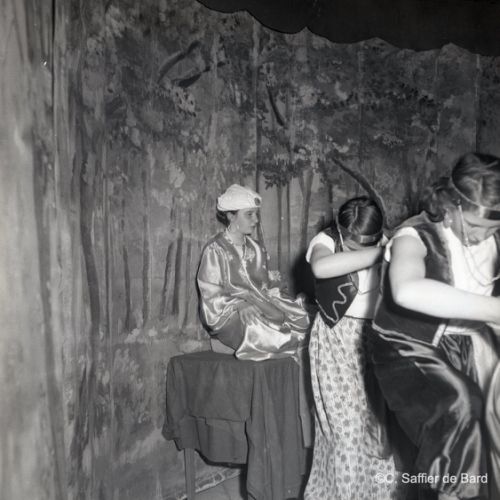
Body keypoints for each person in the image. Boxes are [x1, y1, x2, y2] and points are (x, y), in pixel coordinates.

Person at [371, 152, 500, 500]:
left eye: (492, 229)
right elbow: (406, 290)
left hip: (472, 343)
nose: (480, 236)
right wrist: (494, 310)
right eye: (473, 226)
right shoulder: (414, 235)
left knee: (487, 435)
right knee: (461, 408)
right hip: (409, 346)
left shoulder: (493, 240)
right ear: (452, 204)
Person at [304, 196, 400, 500]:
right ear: (339, 229)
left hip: (374, 340)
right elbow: (321, 267)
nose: (353, 252)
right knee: (345, 433)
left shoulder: (393, 242)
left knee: (376, 430)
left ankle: (379, 494)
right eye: (350, 246)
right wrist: (382, 252)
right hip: (336, 341)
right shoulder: (326, 240)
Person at [197, 184, 310, 361]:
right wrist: (238, 304)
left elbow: (265, 285)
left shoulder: (256, 248)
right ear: (231, 216)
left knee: (301, 317)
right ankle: (224, 341)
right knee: (258, 329)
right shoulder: (215, 250)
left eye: (256, 214)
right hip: (228, 312)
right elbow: (210, 294)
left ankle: (283, 340)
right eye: (249, 214)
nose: (255, 220)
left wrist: (276, 291)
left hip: (259, 301)